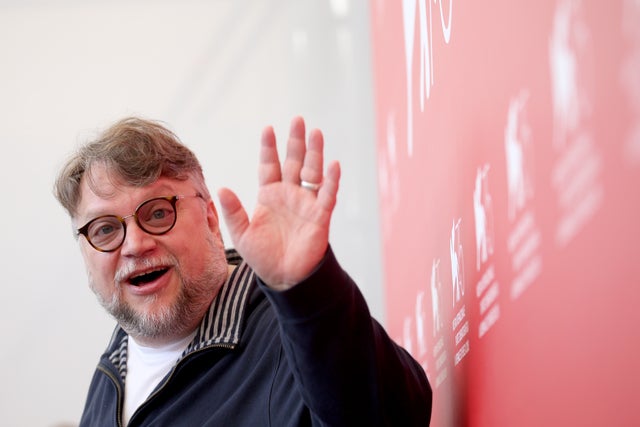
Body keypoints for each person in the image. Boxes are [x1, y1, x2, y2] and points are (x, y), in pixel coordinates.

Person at [54, 116, 432, 426]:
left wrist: (305, 288)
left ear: (210, 219)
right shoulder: (108, 379)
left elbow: (390, 416)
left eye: (157, 213)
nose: (135, 245)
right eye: (105, 229)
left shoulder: (291, 337)